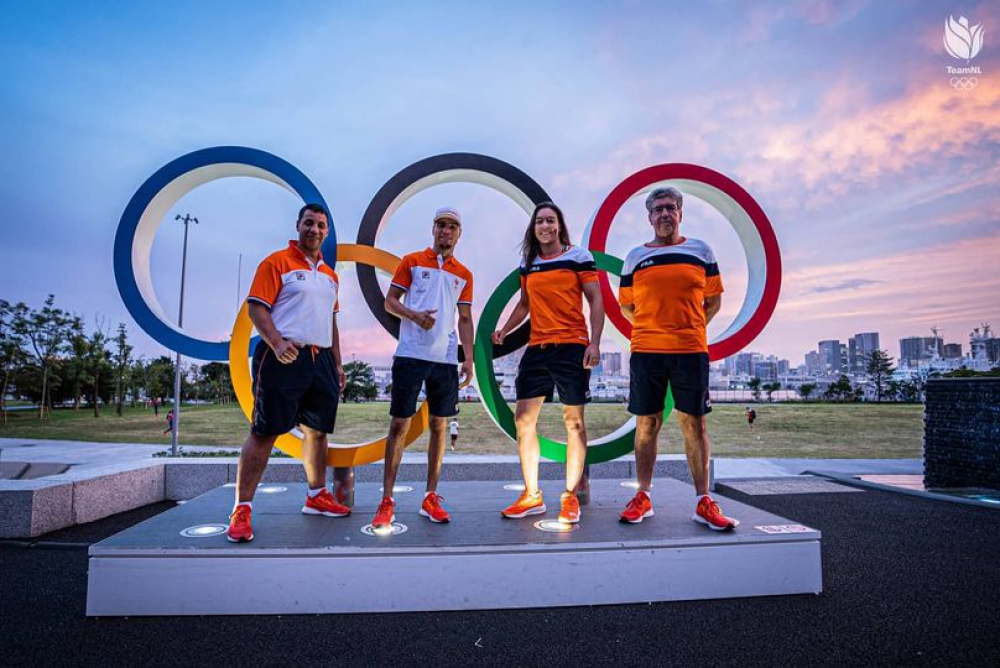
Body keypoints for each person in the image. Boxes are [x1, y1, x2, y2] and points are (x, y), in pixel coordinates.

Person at [226, 203, 349, 543]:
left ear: (327, 232)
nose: (315, 229)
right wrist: (277, 343)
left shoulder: (330, 275)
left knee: (318, 431)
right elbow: (256, 308)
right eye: (309, 223)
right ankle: (242, 508)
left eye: (321, 225)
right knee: (264, 431)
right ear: (298, 226)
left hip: (320, 358)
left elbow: (332, 321)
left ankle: (316, 496)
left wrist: (337, 364)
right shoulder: (276, 262)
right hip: (282, 356)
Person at [618, 187, 739, 531]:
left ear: (681, 212)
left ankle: (703, 501)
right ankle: (643, 496)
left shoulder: (701, 250)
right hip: (646, 351)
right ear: (650, 217)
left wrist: (690, 326)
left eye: (671, 208)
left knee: (694, 424)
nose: (665, 214)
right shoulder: (635, 256)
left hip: (690, 350)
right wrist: (652, 326)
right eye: (658, 210)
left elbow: (713, 301)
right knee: (646, 425)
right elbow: (627, 305)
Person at [492, 201, 604, 524]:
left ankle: (570, 496)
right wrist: (503, 329)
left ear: (559, 226)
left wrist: (594, 343)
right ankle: (532, 495)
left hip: (571, 347)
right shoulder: (530, 264)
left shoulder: (578, 256)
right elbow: (524, 305)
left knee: (574, 422)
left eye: (550, 221)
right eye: (540, 221)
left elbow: (596, 300)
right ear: (534, 228)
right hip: (537, 348)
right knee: (524, 420)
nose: (545, 226)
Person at [371, 207, 475, 533]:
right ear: (433, 229)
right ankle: (386, 499)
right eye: (442, 225)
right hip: (411, 354)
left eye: (453, 227)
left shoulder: (465, 274)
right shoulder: (412, 261)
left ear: (459, 234)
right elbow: (390, 302)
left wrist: (468, 358)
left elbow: (465, 319)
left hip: (445, 360)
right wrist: (415, 316)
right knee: (399, 424)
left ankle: (431, 495)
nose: (446, 231)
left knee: (440, 428)